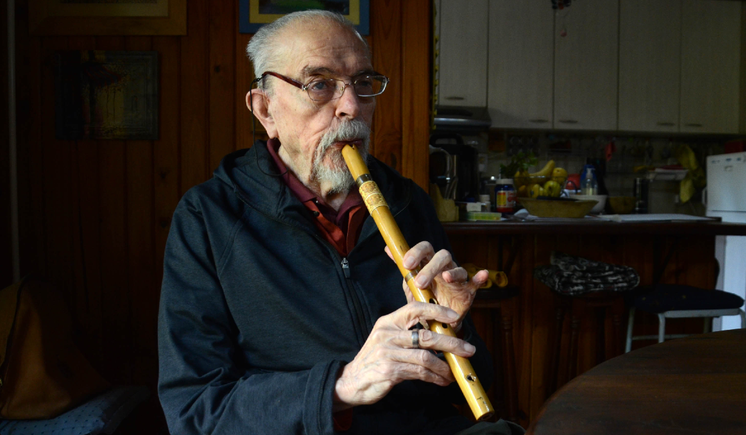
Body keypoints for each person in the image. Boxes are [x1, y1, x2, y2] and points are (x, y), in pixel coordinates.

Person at [157, 10, 521, 435]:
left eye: (362, 84)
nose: (351, 107)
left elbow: (471, 388)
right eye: (320, 85)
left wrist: (453, 326)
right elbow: (194, 411)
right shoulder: (208, 217)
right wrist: (342, 385)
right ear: (265, 110)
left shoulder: (407, 203)